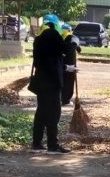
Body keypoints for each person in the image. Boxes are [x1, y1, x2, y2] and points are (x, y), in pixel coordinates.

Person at [30, 13, 70, 154]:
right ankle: (53, 144)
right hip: (52, 82)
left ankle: (36, 142)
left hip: (41, 80)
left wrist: (64, 67)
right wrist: (72, 40)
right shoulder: (54, 35)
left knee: (41, 111)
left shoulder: (38, 39)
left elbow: (46, 60)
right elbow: (66, 50)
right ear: (55, 25)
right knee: (54, 113)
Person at [60, 23, 80, 106]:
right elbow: (77, 48)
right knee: (68, 82)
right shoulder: (73, 38)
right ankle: (65, 100)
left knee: (61, 81)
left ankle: (62, 98)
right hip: (69, 63)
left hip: (60, 63)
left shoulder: (59, 37)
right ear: (70, 30)